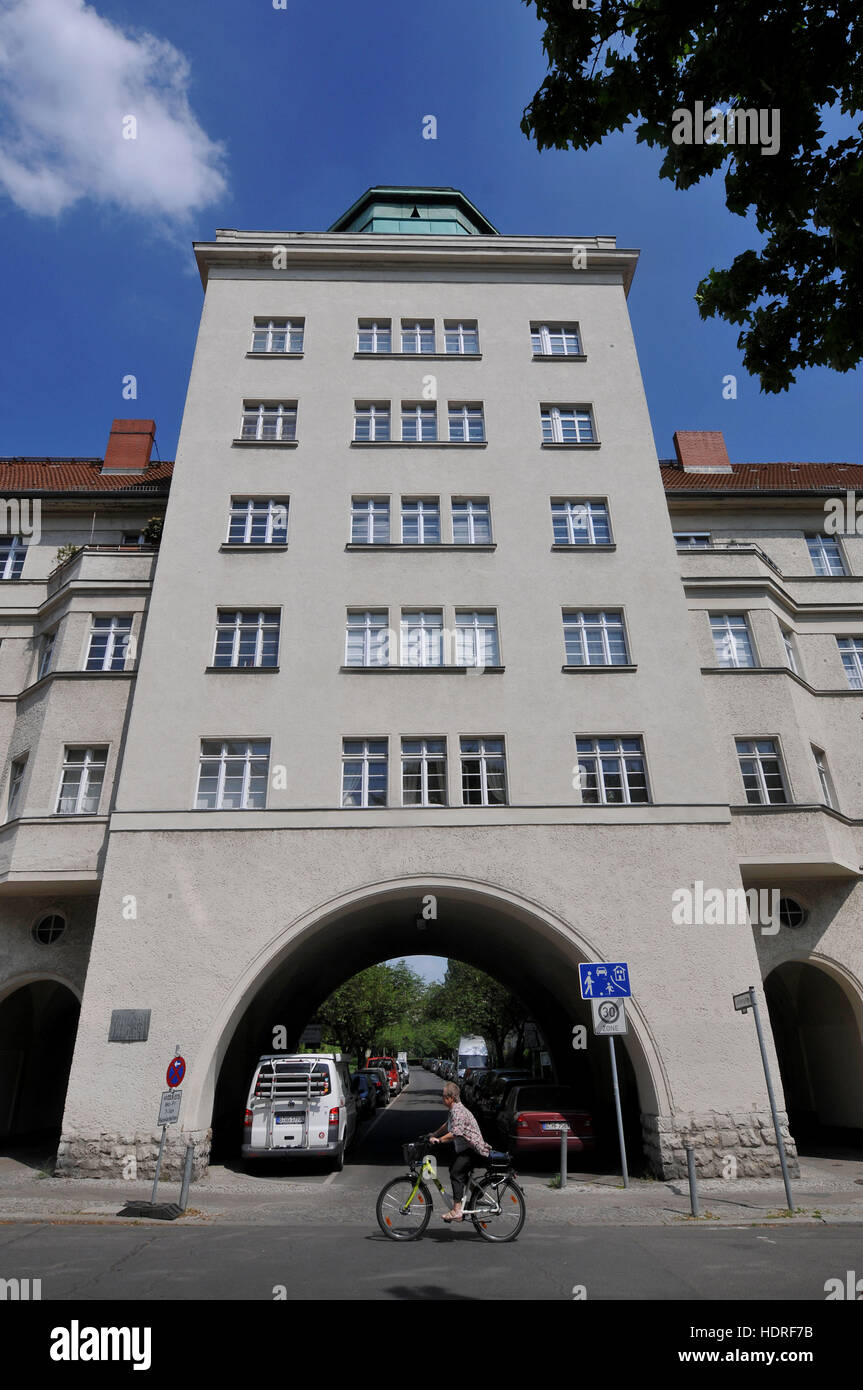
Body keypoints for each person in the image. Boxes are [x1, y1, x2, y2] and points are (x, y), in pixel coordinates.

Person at [429, 1080, 491, 1222]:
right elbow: (447, 1125)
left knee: (456, 1172)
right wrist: (434, 1134)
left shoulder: (458, 1111)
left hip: (474, 1150)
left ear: (451, 1098)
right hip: (468, 1149)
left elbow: (455, 1133)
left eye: (444, 1096)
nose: (442, 1098)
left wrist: (439, 1140)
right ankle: (476, 1190)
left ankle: (457, 1211)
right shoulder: (454, 1110)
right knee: (454, 1167)